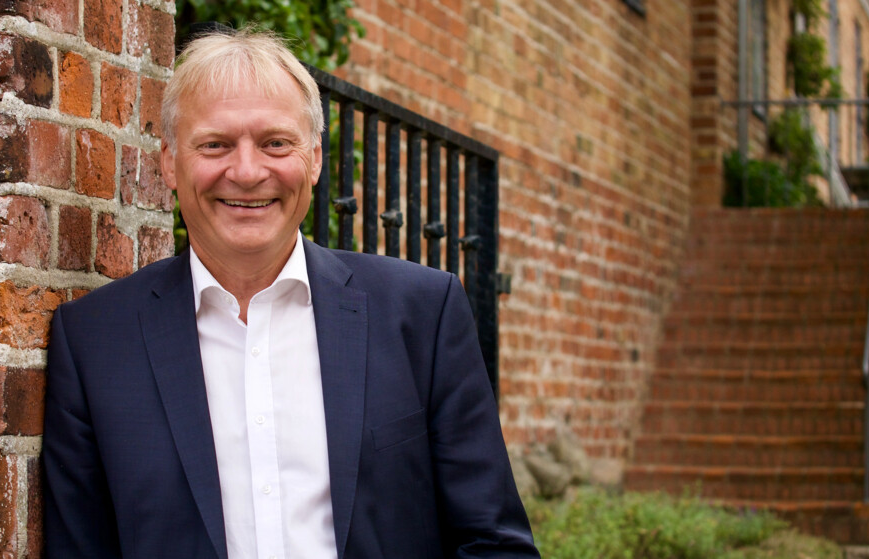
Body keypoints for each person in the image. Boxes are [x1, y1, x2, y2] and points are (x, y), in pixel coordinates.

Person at [42, 29, 539, 559]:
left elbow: (492, 542)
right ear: (169, 162)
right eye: (215, 144)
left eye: (276, 143)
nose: (248, 171)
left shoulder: (421, 312)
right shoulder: (95, 341)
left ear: (316, 159)